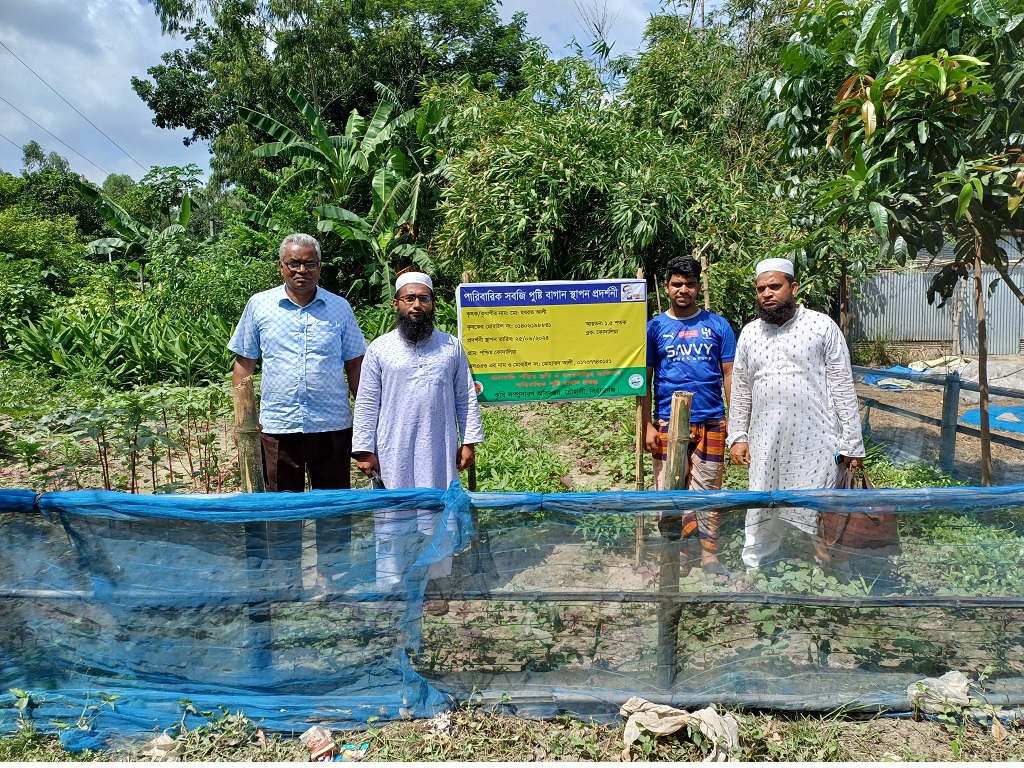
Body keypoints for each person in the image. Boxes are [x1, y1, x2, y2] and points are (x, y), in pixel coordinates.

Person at [229, 233, 366, 592]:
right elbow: (244, 364)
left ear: (320, 267)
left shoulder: (339, 308)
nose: (302, 270)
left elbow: (355, 366)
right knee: (281, 508)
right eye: (294, 263)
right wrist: (242, 419)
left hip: (332, 424)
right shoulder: (259, 306)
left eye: (310, 263)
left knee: (334, 505)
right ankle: (288, 579)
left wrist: (368, 422)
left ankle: (332, 577)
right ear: (282, 266)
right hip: (278, 426)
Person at [727, 257, 865, 571]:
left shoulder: (821, 326)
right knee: (762, 504)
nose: (767, 294)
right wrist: (738, 437)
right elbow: (742, 389)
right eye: (761, 288)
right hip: (766, 442)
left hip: (816, 442)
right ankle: (755, 569)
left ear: (794, 287)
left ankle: (829, 570)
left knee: (822, 506)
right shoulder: (750, 334)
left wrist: (852, 445)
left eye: (775, 286)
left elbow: (843, 385)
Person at [351, 272, 484, 593]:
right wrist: (364, 449)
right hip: (391, 449)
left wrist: (468, 442)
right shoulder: (380, 349)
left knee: (436, 513)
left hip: (439, 448)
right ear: (396, 304)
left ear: (433, 304)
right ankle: (392, 583)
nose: (416, 305)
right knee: (392, 516)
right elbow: (367, 402)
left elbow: (465, 396)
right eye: (409, 299)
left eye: (423, 298)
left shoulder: (452, 347)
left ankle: (434, 583)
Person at [641, 256, 736, 577]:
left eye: (690, 284)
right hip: (668, 421)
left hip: (712, 420)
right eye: (677, 284)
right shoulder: (653, 328)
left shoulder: (718, 325)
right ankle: (677, 554)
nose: (684, 290)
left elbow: (728, 374)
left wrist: (734, 422)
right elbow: (645, 380)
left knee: (708, 488)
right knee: (669, 488)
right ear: (666, 288)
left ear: (698, 286)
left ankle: (710, 556)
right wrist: (646, 426)